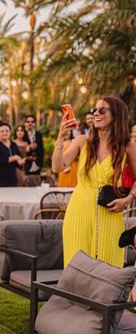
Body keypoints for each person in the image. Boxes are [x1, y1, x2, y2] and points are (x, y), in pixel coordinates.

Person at [53, 96, 136, 267]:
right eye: (94, 110)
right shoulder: (82, 141)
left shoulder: (126, 145)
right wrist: (61, 137)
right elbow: (57, 167)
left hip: (110, 214)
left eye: (102, 110)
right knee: (76, 268)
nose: (96, 114)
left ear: (116, 114)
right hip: (79, 212)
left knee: (109, 268)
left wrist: (128, 199)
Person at [0, 123, 25, 187]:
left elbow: (19, 157)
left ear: (10, 132)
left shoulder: (13, 144)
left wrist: (20, 162)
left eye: (7, 131)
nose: (5, 133)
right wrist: (13, 158)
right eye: (2, 131)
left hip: (12, 178)